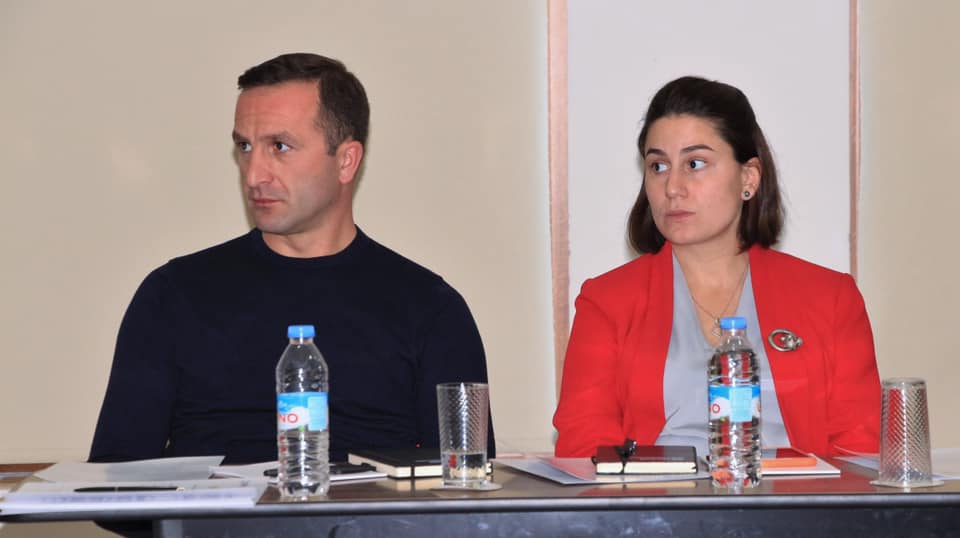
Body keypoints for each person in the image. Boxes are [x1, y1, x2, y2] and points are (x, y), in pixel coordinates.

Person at [90, 53, 495, 465]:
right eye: (244, 147)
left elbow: (467, 480)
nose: (253, 175)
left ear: (346, 161)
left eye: (279, 147)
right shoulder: (173, 296)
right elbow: (116, 482)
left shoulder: (429, 308)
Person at [553, 76, 880, 459]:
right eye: (658, 166)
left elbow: (859, 452)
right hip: (655, 496)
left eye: (695, 164)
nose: (672, 187)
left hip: (797, 497)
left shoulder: (830, 298)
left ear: (748, 178)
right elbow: (585, 449)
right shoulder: (607, 302)